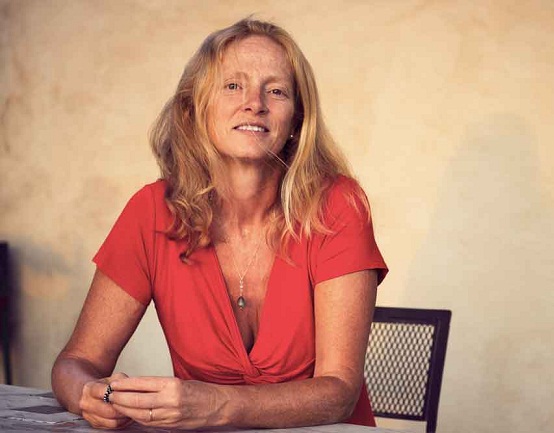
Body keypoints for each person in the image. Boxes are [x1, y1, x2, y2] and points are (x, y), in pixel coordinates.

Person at [51, 18, 387, 430]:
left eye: (276, 91)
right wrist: (90, 395)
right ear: (194, 109)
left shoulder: (337, 205)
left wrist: (217, 404)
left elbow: (339, 392)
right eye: (232, 86)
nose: (254, 103)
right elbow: (76, 362)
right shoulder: (152, 211)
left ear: (296, 121)